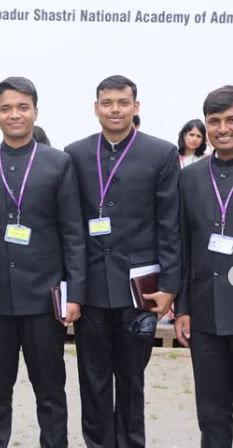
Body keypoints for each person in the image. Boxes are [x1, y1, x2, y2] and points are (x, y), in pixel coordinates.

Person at [0, 77, 86, 448]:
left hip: (44, 298)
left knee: (50, 391)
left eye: (22, 107)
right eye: (6, 108)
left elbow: (72, 232)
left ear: (35, 111)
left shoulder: (58, 162)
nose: (14, 114)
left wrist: (75, 292)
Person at [65, 75, 180, 447]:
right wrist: (71, 288)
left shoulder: (161, 153)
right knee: (92, 381)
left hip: (140, 289)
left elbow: (169, 224)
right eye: (107, 102)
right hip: (91, 286)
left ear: (136, 107)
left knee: (132, 380)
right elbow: (69, 225)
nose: (115, 109)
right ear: (95, 107)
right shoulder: (75, 154)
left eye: (123, 102)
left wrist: (169, 286)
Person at [175, 85, 233, 447]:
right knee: (211, 413)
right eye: (214, 121)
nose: (222, 129)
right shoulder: (190, 177)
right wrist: (183, 308)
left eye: (230, 120)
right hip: (205, 311)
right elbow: (181, 246)